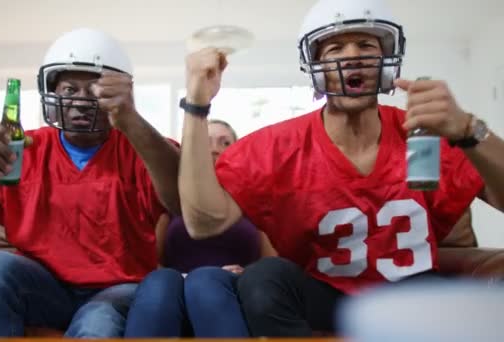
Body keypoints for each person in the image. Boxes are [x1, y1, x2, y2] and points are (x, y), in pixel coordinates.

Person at [178, 0, 504, 337]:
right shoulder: (277, 146)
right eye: (334, 47)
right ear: (314, 64)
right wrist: (197, 105)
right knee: (264, 278)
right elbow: (203, 223)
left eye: (366, 44)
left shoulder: (426, 134)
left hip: (414, 296)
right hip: (326, 294)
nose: (352, 56)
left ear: (386, 56)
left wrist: (468, 128)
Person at [0, 28, 180, 338]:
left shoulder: (145, 147)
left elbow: (182, 202)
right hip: (41, 285)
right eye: (69, 90)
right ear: (51, 94)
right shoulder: (22, 148)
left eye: (94, 90)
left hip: (117, 287)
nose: (80, 101)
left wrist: (132, 121)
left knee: (97, 322)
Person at [124, 119, 276, 337]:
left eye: (225, 143)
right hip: (175, 292)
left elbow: (270, 265)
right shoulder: (170, 200)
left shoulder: (253, 201)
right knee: (161, 280)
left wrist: (248, 276)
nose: (214, 149)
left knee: (206, 280)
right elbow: (150, 261)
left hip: (232, 292)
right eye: (206, 143)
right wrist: (186, 278)